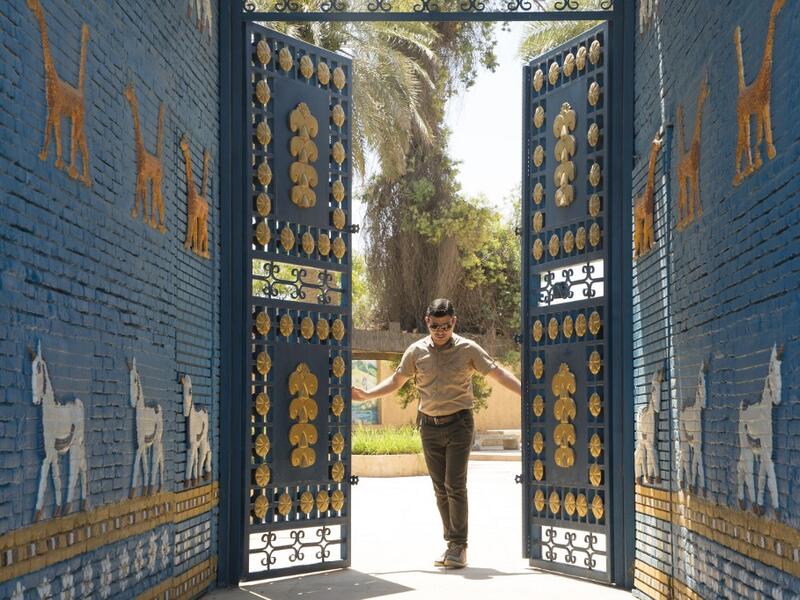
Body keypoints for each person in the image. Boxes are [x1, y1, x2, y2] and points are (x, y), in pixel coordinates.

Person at [351, 298, 521, 569]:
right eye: (435, 326)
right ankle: (451, 543)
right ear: (426, 322)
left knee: (454, 484)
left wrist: (527, 392)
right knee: (440, 487)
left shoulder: (468, 348)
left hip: (459, 423)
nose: (440, 331)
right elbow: (397, 381)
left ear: (454, 322)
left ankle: (459, 545)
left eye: (446, 325)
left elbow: (497, 373)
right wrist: (367, 395)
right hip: (429, 426)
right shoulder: (416, 351)